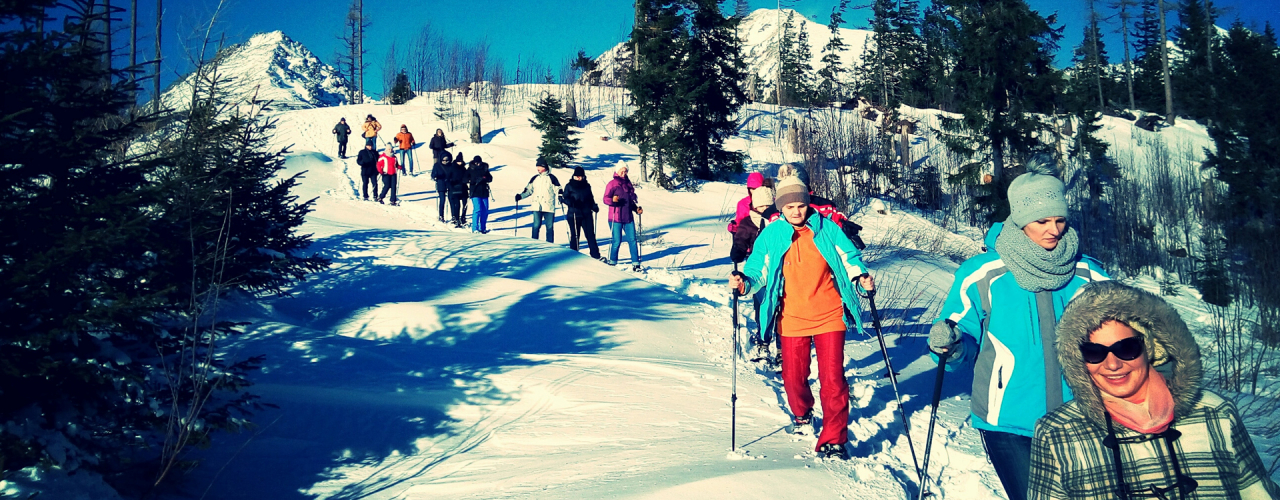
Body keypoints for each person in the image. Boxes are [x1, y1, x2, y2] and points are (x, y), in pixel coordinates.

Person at [926, 166, 1110, 500]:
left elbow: (1124, 335)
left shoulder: (1088, 274)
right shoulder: (983, 274)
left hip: (1082, 417)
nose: (1053, 230)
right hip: (1007, 420)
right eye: (1042, 221)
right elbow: (961, 336)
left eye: (1060, 220)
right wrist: (950, 344)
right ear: (1021, 218)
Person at [1029, 281, 1280, 500]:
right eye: (1094, 352)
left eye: (1126, 348)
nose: (1113, 364)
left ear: (1150, 347)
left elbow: (1257, 492)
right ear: (1079, 360)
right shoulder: (1056, 432)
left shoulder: (1216, 413)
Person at [728, 175, 875, 461]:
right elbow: (759, 270)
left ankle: (834, 440)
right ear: (780, 207)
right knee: (793, 378)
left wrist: (861, 277)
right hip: (791, 316)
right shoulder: (771, 235)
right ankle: (802, 411)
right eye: (790, 206)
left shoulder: (826, 229)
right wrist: (744, 283)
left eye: (801, 205)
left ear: (807, 203)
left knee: (833, 380)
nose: (796, 211)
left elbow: (849, 257)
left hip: (829, 314)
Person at [730, 186, 778, 359]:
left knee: (780, 308)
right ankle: (763, 338)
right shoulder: (748, 223)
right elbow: (741, 240)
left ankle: (781, 347)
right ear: (753, 207)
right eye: (760, 207)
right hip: (757, 269)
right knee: (763, 304)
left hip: (777, 268)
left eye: (768, 206)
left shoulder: (778, 222)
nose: (765, 210)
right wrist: (738, 250)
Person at [603, 163, 642, 270]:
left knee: (633, 240)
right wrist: (613, 200)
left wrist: (636, 209)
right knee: (617, 240)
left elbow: (630, 201)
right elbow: (605, 199)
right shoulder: (612, 184)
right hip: (615, 217)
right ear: (617, 171)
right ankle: (612, 262)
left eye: (626, 171)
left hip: (628, 217)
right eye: (622, 171)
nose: (624, 173)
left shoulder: (628, 184)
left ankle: (636, 263)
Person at [516, 157, 561, 242]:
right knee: (536, 226)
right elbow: (528, 190)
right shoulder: (535, 178)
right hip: (537, 206)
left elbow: (558, 189)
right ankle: (534, 243)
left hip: (548, 206)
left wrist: (560, 196)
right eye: (537, 167)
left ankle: (550, 245)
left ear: (544, 167)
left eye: (539, 166)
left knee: (550, 227)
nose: (537, 169)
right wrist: (520, 196)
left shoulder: (552, 178)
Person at [562, 166, 602, 260]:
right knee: (575, 235)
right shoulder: (569, 186)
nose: (579, 178)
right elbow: (565, 198)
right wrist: (571, 202)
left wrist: (594, 206)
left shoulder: (587, 186)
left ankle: (595, 255)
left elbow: (590, 198)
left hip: (586, 213)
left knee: (590, 235)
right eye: (577, 176)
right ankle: (573, 256)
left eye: (580, 176)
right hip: (574, 214)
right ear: (574, 176)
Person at [467, 156, 493, 233]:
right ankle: (475, 228)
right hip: (474, 192)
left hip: (484, 192)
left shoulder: (484, 168)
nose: (477, 164)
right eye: (476, 163)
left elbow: (490, 178)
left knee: (485, 210)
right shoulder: (470, 169)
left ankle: (483, 227)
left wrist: (484, 178)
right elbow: (465, 179)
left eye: (479, 162)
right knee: (477, 209)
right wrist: (473, 180)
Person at [446, 153, 470, 228]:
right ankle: (456, 218)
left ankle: (463, 217)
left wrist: (466, 181)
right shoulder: (452, 168)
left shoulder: (464, 168)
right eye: (458, 161)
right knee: (457, 205)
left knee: (465, 204)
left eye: (461, 161)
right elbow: (448, 178)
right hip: (455, 189)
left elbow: (467, 177)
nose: (460, 163)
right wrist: (451, 185)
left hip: (463, 189)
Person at [431, 152, 452, 222]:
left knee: (451, 200)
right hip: (441, 184)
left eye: (447, 160)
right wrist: (436, 177)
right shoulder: (437, 165)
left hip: (450, 184)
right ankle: (441, 215)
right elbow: (433, 174)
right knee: (442, 200)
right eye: (444, 160)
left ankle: (454, 216)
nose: (445, 162)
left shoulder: (451, 166)